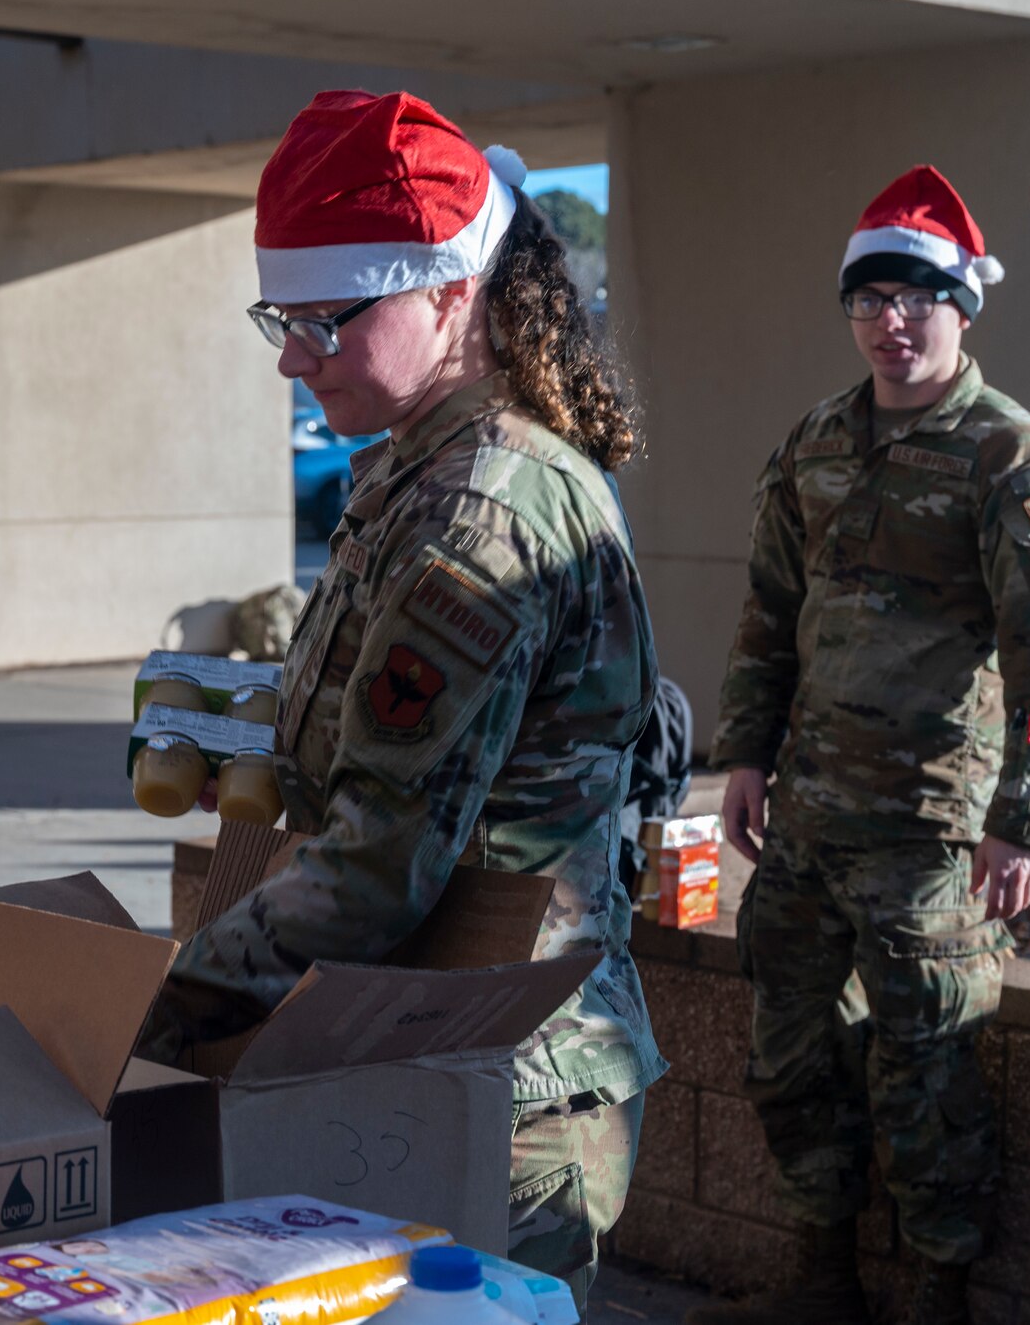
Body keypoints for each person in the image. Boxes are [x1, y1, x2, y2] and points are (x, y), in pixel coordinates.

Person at [143, 90, 664, 1309]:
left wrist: (144, 1011)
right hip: (438, 1051)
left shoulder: (476, 515)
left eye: (326, 318)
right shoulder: (423, 470)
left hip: (496, 1086)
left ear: (448, 296)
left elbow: (379, 865)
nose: (290, 354)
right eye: (280, 316)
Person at [691, 167, 1030, 1325]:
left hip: (932, 831)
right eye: (868, 297)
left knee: (926, 1074)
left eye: (916, 296)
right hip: (810, 816)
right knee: (790, 1054)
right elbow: (770, 607)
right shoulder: (818, 440)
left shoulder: (1009, 458)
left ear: (961, 307)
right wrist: (745, 754)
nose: (890, 320)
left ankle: (935, 1300)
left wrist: (1025, 818)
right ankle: (818, 1281)